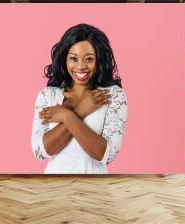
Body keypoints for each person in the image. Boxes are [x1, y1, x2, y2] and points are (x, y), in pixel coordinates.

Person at [31, 23, 127, 174]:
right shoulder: (48, 96)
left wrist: (67, 116)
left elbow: (105, 154)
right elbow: (41, 152)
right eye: (73, 59)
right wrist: (81, 111)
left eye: (89, 59)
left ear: (99, 60)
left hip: (94, 190)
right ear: (65, 60)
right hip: (52, 189)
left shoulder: (111, 95)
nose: (81, 66)